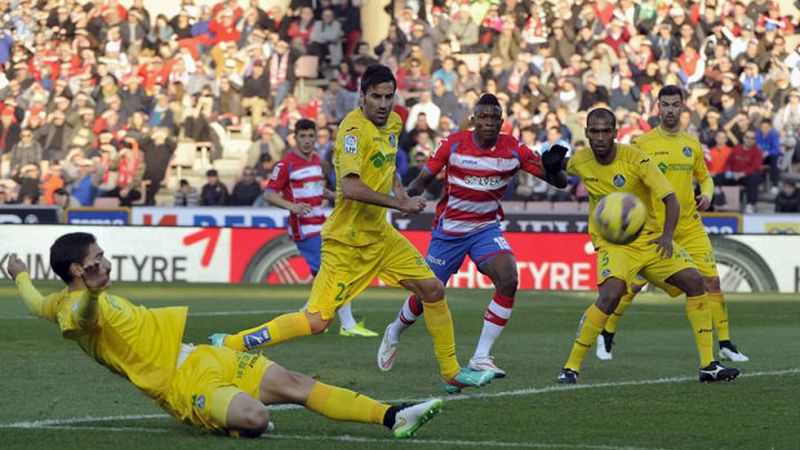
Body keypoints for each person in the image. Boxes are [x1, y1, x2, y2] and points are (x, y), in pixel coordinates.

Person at [210, 65, 496, 393]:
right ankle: (232, 342)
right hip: (346, 242)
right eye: (376, 96)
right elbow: (350, 188)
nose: (384, 103)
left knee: (433, 289)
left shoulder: (394, 122)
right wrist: (400, 205)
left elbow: (387, 166)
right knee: (316, 322)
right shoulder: (351, 132)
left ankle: (450, 371)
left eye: (389, 96)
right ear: (361, 96)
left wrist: (401, 194)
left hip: (381, 237)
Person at [6, 233, 442, 439]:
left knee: (295, 384)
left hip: (202, 355)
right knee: (255, 419)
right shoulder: (72, 311)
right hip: (180, 386)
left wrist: (20, 275)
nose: (106, 261)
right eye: (97, 259)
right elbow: (82, 318)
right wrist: (95, 296)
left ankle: (394, 415)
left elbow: (29, 300)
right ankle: (225, 421)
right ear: (80, 271)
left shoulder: (56, 299)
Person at [377, 93, 568, 377]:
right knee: (426, 293)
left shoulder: (514, 149)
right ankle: (394, 330)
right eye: (484, 118)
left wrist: (554, 168)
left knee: (509, 278)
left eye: (494, 119)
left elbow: (559, 183)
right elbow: (421, 181)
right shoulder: (453, 144)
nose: (489, 123)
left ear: (502, 122)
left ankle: (481, 356)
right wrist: (403, 199)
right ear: (474, 120)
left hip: (485, 228)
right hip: (450, 230)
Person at [557, 107, 740, 384]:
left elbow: (671, 199)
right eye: (594, 131)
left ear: (615, 133)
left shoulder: (637, 158)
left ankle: (708, 365)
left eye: (606, 131)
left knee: (695, 282)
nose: (600, 137)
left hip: (652, 239)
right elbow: (558, 171)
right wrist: (547, 162)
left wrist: (667, 236)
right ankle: (571, 367)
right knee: (611, 295)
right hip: (615, 244)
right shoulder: (581, 161)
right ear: (587, 134)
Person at [595, 86, 749, 363]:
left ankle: (725, 342)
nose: (669, 109)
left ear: (682, 107)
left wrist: (708, 194)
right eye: (664, 104)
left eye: (674, 104)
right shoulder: (643, 144)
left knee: (711, 281)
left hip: (689, 226)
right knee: (633, 286)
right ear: (657, 107)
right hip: (656, 228)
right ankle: (606, 333)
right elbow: (630, 180)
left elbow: (705, 178)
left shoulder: (692, 144)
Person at [264, 118, 378, 337]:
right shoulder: (285, 164)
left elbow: (316, 188)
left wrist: (330, 194)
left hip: (322, 225)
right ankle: (348, 325)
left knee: (330, 275)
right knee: (335, 272)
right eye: (303, 136)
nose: (307, 141)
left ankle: (306, 315)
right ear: (294, 138)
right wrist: (292, 206)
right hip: (304, 230)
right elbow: (268, 194)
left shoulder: (316, 161)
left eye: (311, 136)